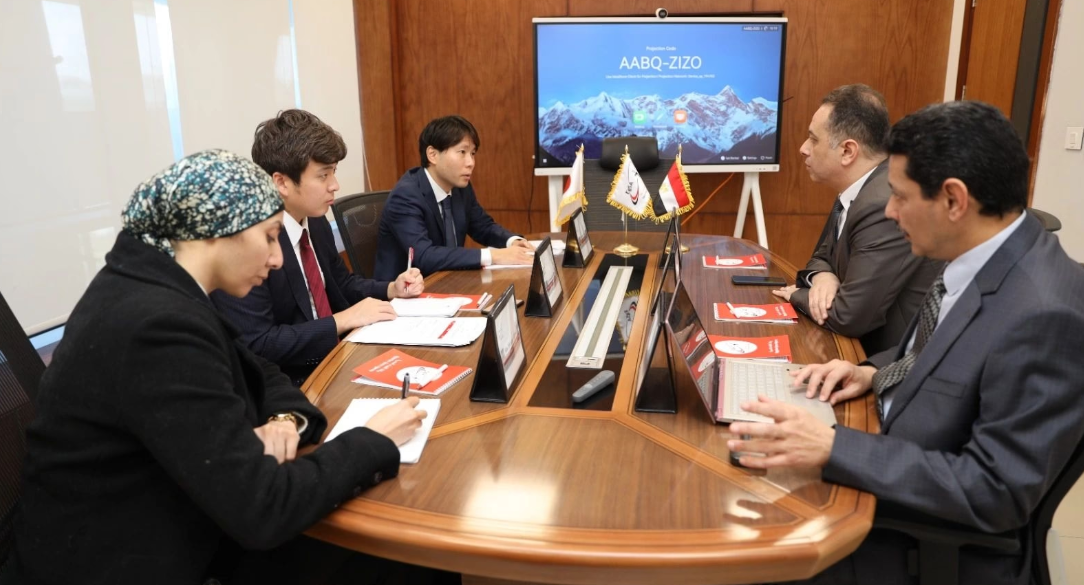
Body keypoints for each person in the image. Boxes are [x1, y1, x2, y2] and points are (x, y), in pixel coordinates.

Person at [11, 150, 434, 585]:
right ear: (216, 232)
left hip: (184, 517)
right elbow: (263, 510)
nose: (277, 259)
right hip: (132, 558)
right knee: (406, 558)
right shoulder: (155, 324)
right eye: (269, 237)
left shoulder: (161, 287)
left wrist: (286, 419)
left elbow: (261, 369)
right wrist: (372, 439)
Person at [729, 102, 1084, 585]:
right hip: (891, 469)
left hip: (918, 546)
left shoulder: (1044, 314)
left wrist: (834, 448)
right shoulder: (980, 256)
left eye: (899, 196)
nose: (890, 211)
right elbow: (934, 352)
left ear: (954, 201)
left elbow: (996, 491)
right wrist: (872, 372)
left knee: (736, 545)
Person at [212, 110, 424, 386]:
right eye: (323, 175)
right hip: (292, 380)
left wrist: (390, 289)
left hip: (340, 358)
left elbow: (342, 283)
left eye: (333, 172)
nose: (335, 186)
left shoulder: (315, 220)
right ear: (282, 182)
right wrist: (340, 321)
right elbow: (258, 343)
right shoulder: (246, 244)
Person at [772, 85, 941, 355]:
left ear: (848, 151)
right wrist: (823, 277)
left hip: (891, 361)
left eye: (813, 139)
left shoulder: (882, 204)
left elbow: (848, 316)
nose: (803, 149)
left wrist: (794, 295)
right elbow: (821, 256)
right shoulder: (858, 190)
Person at [372, 115, 535, 280]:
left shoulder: (459, 188)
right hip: (407, 295)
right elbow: (424, 256)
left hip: (448, 282)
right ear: (432, 154)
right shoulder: (406, 196)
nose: (470, 162)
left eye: (472, 153)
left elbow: (483, 226)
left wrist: (511, 241)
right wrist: (494, 256)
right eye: (462, 152)